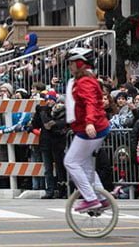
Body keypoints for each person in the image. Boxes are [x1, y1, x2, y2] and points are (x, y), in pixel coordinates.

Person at [62, 46, 110, 212]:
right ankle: (102, 198)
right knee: (85, 165)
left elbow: (90, 102)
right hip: (90, 128)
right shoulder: (82, 80)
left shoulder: (85, 82)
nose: (69, 67)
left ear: (80, 63)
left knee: (70, 162)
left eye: (71, 63)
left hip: (90, 129)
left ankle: (91, 199)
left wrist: (89, 122)